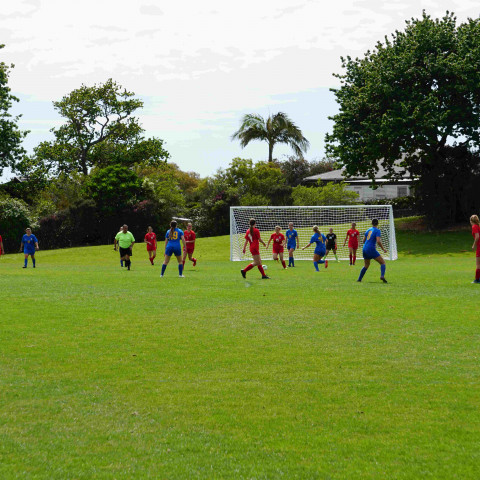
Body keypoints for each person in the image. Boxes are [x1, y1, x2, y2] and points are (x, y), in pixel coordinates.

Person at [357, 218, 388, 283]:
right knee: (382, 262)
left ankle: (359, 279)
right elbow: (378, 241)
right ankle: (382, 276)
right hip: (371, 249)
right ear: (378, 223)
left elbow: (363, 241)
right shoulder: (377, 230)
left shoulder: (368, 230)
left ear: (371, 223)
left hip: (364, 248)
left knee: (366, 265)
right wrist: (383, 249)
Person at [470, 214, 480, 283]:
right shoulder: (478, 226)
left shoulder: (474, 226)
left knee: (478, 264)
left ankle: (477, 279)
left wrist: (474, 245)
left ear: (471, 221)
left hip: (479, 246)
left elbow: (477, 237)